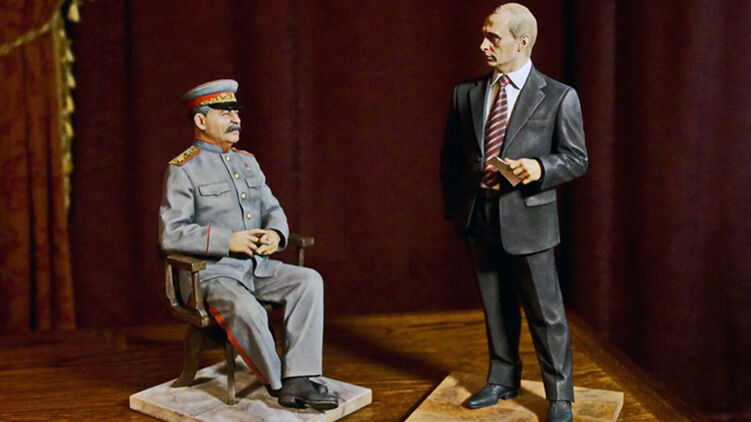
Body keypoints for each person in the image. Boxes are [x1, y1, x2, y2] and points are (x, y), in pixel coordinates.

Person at [439, 4, 587, 422]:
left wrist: (540, 168)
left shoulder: (559, 96)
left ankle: (560, 395)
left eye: (493, 37)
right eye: (484, 35)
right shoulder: (466, 93)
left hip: (529, 220)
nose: (483, 45)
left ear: (522, 42)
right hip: (479, 217)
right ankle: (503, 378)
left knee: (546, 313)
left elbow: (577, 158)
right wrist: (458, 212)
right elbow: (451, 158)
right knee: (495, 305)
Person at [159, 79, 338, 411]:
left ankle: (300, 376)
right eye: (225, 113)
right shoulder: (183, 169)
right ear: (201, 120)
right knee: (246, 308)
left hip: (258, 267)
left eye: (236, 112)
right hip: (212, 276)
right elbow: (172, 233)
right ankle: (279, 385)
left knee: (308, 281)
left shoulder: (247, 162)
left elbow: (272, 208)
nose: (236, 120)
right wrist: (228, 241)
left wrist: (276, 233)